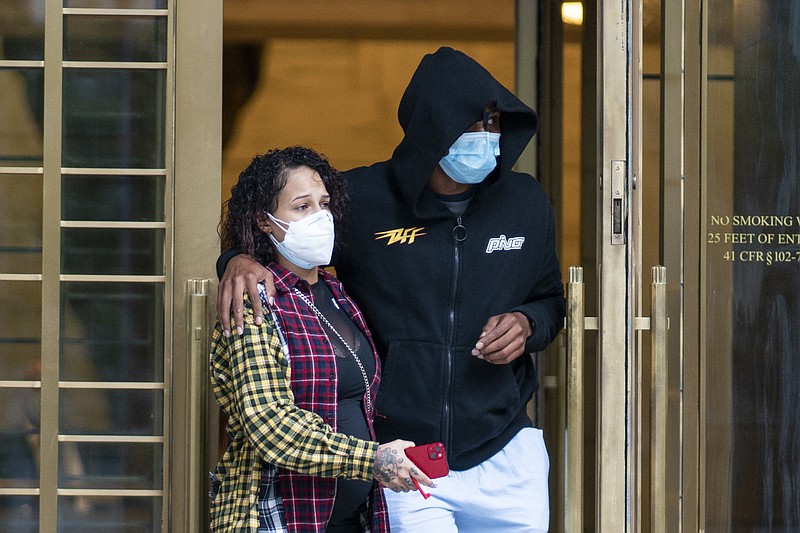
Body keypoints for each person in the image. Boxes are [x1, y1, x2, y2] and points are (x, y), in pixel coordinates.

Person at [217, 48, 566, 532]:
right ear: (433, 127)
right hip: (402, 454)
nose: (486, 138)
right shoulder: (361, 200)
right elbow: (285, 237)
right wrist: (235, 259)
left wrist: (529, 323)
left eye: (492, 124)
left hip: (503, 445)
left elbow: (551, 300)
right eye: (471, 124)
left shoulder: (526, 203)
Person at [209, 146, 433, 533]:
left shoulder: (337, 292)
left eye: (324, 204)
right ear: (264, 222)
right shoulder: (254, 301)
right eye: (301, 207)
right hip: (279, 516)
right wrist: (372, 459)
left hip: (353, 518)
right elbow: (270, 424)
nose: (319, 217)